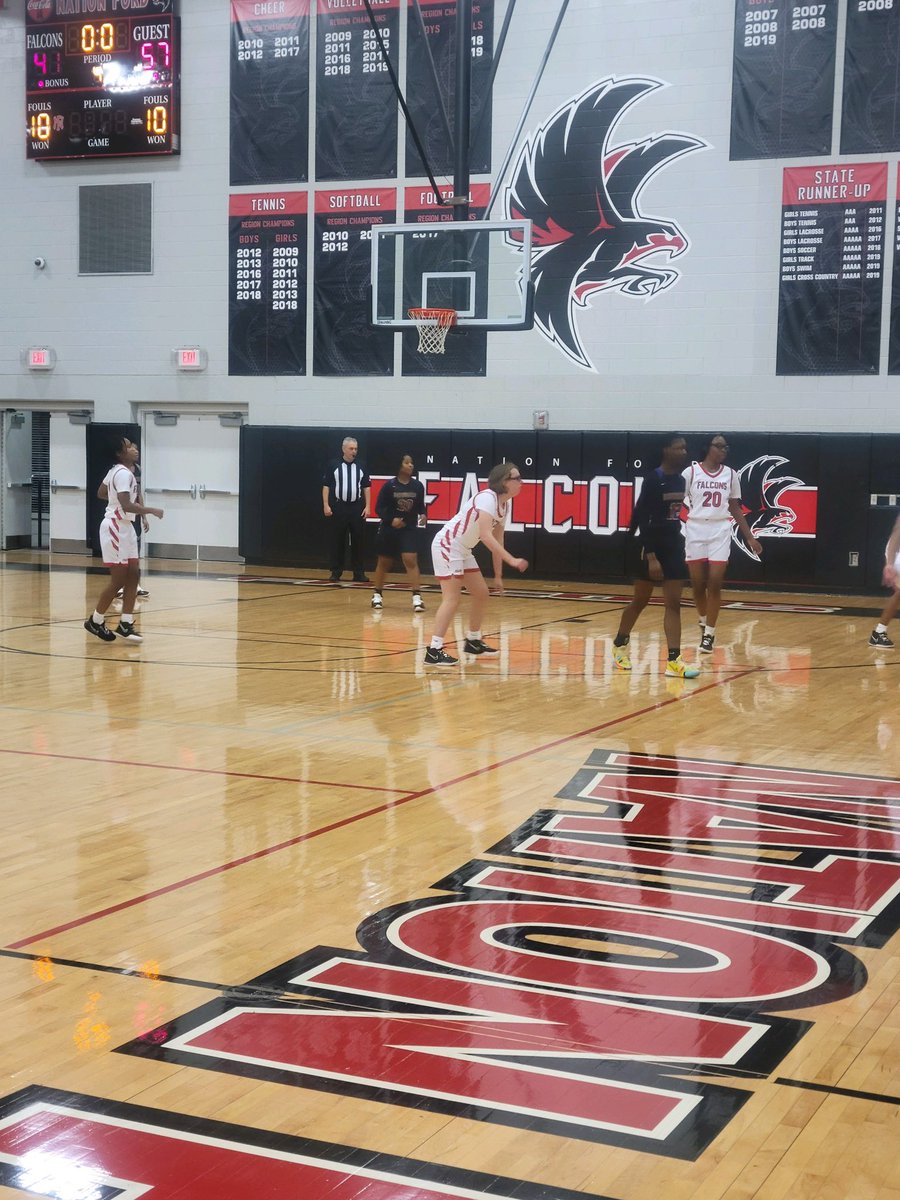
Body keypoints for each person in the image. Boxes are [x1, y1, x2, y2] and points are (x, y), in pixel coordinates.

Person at [612, 435, 699, 679]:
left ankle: (674, 660)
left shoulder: (681, 480)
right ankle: (620, 644)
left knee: (673, 604)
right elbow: (642, 518)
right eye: (678, 447)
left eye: (685, 448)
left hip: (673, 544)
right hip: (650, 546)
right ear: (666, 450)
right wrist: (651, 557)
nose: (683, 452)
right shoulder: (653, 479)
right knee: (640, 601)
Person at [424, 463, 528, 666]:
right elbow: (486, 536)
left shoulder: (504, 505)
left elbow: (498, 540)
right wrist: (512, 560)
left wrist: (498, 575)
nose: (521, 482)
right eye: (517, 478)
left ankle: (472, 640)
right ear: (504, 482)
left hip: (462, 550)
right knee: (452, 598)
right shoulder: (487, 498)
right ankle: (433, 650)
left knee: (481, 593)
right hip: (448, 544)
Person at [683, 434, 762, 654]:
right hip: (696, 528)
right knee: (697, 584)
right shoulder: (690, 472)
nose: (724, 450)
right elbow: (676, 499)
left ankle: (709, 634)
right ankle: (702, 618)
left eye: (726, 447)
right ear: (708, 448)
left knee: (715, 582)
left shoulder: (730, 474)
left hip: (720, 529)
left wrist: (749, 537)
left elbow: (735, 507)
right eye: (719, 446)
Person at [84, 437, 163, 643]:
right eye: (129, 446)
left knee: (134, 575)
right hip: (115, 527)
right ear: (120, 453)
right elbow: (127, 505)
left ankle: (125, 623)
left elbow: (102, 492)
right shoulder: (121, 473)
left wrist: (116, 500)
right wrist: (151, 510)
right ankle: (95, 620)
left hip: (126, 528)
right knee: (119, 580)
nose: (135, 448)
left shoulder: (119, 471)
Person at [371, 453, 427, 612]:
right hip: (389, 529)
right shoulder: (389, 486)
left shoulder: (417, 486)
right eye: (407, 463)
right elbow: (379, 508)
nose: (411, 465)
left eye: (412, 463)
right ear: (400, 466)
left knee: (410, 559)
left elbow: (420, 506)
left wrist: (423, 514)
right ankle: (377, 594)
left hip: (408, 528)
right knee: (384, 562)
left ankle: (417, 597)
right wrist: (391, 519)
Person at [322, 436, 370, 582]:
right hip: (339, 506)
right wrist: (326, 504)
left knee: (358, 540)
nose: (354, 451)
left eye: (355, 449)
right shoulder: (333, 465)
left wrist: (368, 506)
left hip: (356, 507)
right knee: (337, 540)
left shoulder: (362, 465)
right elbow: (326, 486)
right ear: (343, 449)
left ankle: (358, 572)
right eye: (351, 449)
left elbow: (366, 487)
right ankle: (336, 572)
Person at [869, 513, 900, 647]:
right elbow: (896, 535)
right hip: (897, 554)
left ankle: (878, 633)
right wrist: (889, 563)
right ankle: (879, 633)